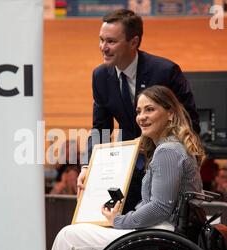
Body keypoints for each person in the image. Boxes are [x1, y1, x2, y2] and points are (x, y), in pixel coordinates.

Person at [35, 85, 205, 250]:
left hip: (159, 238)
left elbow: (160, 207)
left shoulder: (168, 151)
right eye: (138, 111)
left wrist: (120, 220)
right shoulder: (170, 148)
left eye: (149, 110)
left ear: (170, 113)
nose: (141, 117)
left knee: (68, 236)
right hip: (158, 233)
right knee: (75, 239)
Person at [77, 9, 200, 214]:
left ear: (133, 42)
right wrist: (88, 167)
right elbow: (101, 128)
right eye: (101, 40)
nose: (103, 48)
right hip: (127, 167)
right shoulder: (99, 76)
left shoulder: (165, 71)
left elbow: (189, 121)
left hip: (165, 164)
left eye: (111, 42)